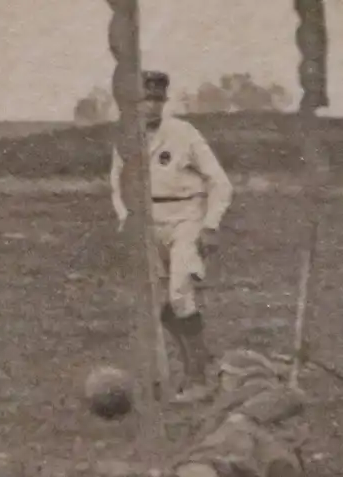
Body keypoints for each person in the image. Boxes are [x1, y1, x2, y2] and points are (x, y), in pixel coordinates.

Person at [110, 71, 233, 403]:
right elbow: (117, 184)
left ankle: (198, 379)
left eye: (156, 100)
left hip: (185, 217)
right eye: (143, 100)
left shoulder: (183, 134)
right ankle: (188, 366)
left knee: (180, 293)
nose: (150, 107)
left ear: (163, 102)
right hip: (148, 222)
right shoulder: (126, 138)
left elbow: (220, 182)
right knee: (158, 304)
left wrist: (210, 225)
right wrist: (126, 220)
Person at [171, 349, 308, 476]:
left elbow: (288, 400)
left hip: (260, 455)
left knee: (236, 426)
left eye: (225, 376)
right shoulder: (229, 408)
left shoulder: (269, 394)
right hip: (254, 461)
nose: (222, 383)